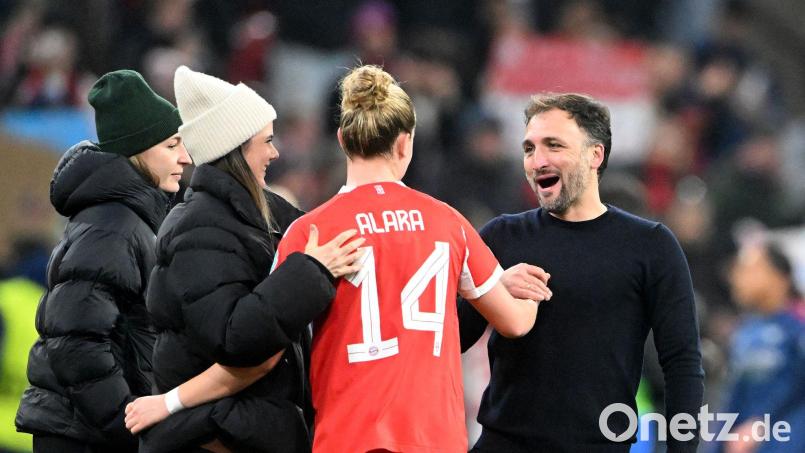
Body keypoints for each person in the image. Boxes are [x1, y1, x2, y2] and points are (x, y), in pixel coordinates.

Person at [127, 64, 545, 453]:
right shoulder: (448, 223)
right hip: (436, 441)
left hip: (346, 439)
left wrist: (170, 401)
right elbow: (515, 322)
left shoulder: (311, 233)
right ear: (406, 142)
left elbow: (260, 360)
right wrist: (531, 288)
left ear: (343, 140)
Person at [125, 66, 363, 453]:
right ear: (235, 148)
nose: (275, 152)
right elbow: (236, 338)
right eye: (266, 140)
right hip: (212, 439)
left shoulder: (267, 213)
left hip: (248, 431)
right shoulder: (198, 229)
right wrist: (311, 271)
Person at [459, 93, 704, 452]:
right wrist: (491, 288)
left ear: (595, 155)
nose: (537, 160)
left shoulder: (651, 246)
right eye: (529, 149)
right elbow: (449, 340)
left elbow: (682, 363)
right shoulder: (501, 236)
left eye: (554, 145)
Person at [15, 69, 190, 452]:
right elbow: (76, 340)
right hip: (84, 436)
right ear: (138, 150)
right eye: (171, 145)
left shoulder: (123, 218)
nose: (185, 157)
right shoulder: (113, 225)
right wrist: (126, 422)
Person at [719, 240, 804, 453]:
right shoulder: (745, 332)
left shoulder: (798, 325)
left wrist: (762, 423)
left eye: (750, 269)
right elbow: (736, 397)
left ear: (780, 277)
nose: (737, 277)